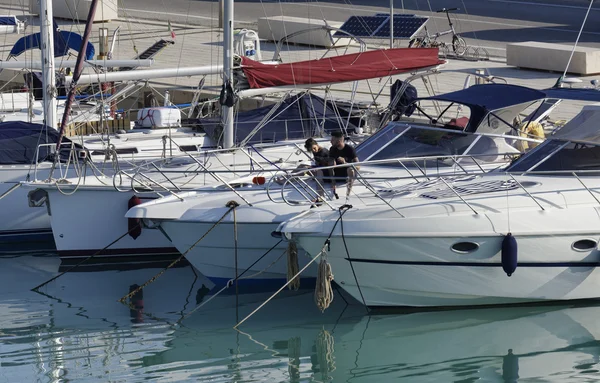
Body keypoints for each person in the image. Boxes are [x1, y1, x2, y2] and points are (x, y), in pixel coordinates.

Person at [329, 131, 359, 198]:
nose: (330, 142)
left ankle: (348, 194)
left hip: (347, 173)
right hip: (338, 173)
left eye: (332, 140)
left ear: (339, 141)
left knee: (350, 169)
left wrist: (345, 163)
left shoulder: (350, 149)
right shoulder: (332, 149)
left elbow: (358, 166)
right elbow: (330, 165)